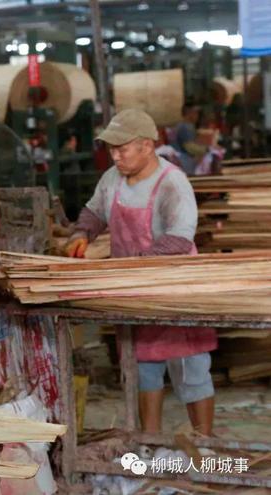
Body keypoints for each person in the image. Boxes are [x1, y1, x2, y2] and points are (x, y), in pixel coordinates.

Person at [64, 109, 217, 436]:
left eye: (122, 149)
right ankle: (150, 442)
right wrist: (81, 234)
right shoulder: (112, 179)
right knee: (144, 369)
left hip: (174, 292)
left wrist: (134, 265)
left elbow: (179, 239)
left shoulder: (172, 182)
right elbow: (94, 212)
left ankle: (205, 444)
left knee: (192, 369)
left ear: (147, 146)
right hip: (133, 293)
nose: (115, 156)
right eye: (112, 149)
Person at [171, 104, 208, 176]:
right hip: (184, 161)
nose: (197, 115)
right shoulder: (185, 126)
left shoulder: (183, 125)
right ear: (189, 113)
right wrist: (207, 149)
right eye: (195, 113)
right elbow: (189, 147)